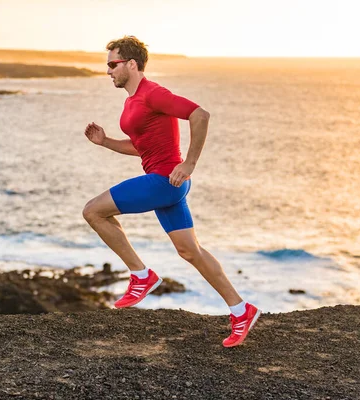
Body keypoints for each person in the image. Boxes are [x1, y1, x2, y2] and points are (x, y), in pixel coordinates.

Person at [83, 36, 260, 347]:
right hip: (169, 184)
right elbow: (143, 148)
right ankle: (241, 310)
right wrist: (106, 142)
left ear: (132, 64)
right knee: (190, 251)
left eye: (113, 64)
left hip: (166, 181)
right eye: (107, 65)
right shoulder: (132, 101)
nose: (108, 71)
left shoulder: (153, 94)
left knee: (93, 211)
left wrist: (190, 163)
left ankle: (141, 275)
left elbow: (200, 115)